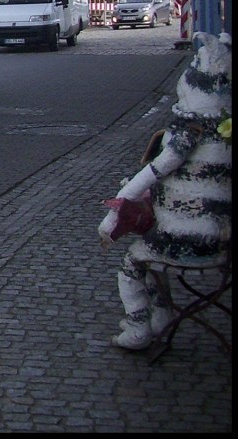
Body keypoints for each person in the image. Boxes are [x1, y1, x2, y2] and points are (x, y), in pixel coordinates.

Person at [97, 31, 232, 351]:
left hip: (189, 240)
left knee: (133, 262)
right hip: (224, 244)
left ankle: (138, 329)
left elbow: (158, 168)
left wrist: (122, 201)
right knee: (152, 257)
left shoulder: (190, 130)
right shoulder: (225, 128)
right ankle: (161, 316)